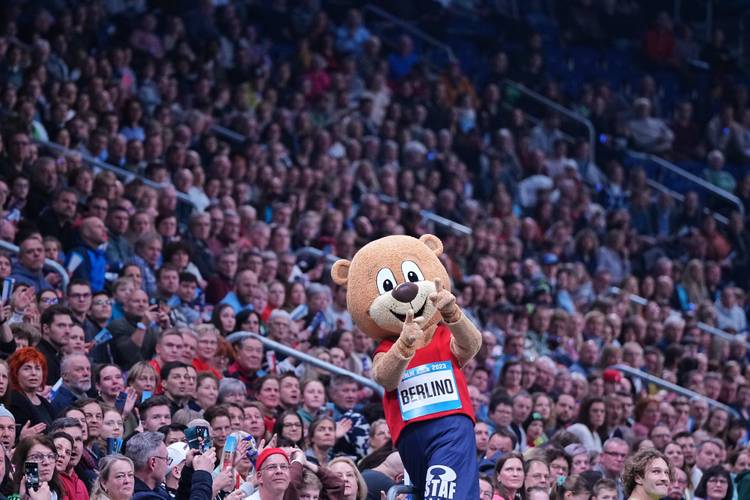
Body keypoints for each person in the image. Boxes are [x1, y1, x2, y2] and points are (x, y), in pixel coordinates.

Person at [126, 431, 214, 500]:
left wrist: (188, 468)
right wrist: (203, 473)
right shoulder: (143, 497)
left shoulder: (156, 490)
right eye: (166, 459)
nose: (167, 463)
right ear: (153, 463)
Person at [8, 347, 55, 428]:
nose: (33, 373)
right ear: (15, 372)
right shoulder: (12, 400)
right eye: (27, 368)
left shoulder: (44, 402)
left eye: (37, 368)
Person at [11, 435, 64, 499]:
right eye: (37, 457)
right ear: (22, 463)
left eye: (50, 456)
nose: (47, 462)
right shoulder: (11, 494)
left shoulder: (56, 492)